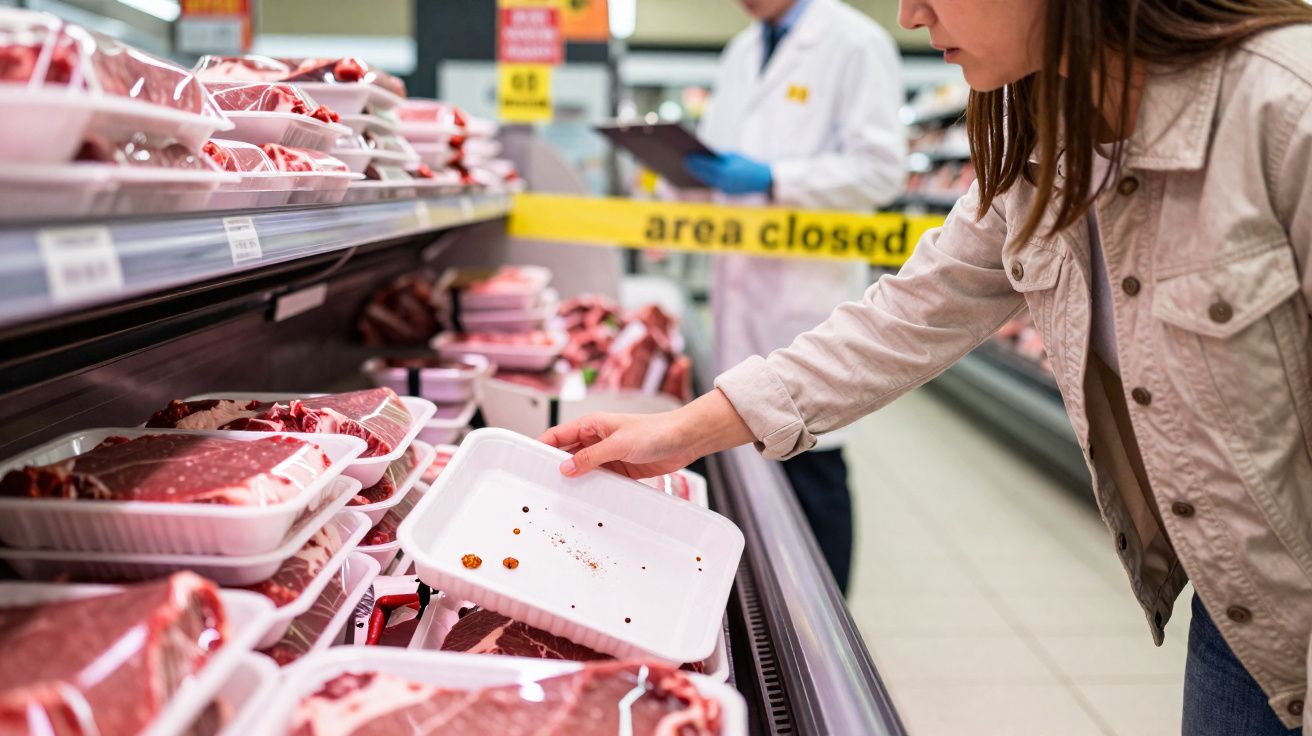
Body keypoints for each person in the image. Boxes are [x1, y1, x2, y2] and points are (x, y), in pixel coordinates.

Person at [545, 0, 1312, 732]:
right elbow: (913, 311)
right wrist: (680, 432)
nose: (910, 16)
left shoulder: (1287, 109)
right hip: (1241, 602)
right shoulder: (1045, 131)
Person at [680, 0, 906, 594]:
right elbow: (720, 155)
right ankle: (755, 598)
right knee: (745, 468)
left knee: (812, 468)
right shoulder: (742, 50)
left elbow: (882, 171)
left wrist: (777, 178)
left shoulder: (853, 41)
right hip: (742, 283)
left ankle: (825, 625)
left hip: (807, 293)